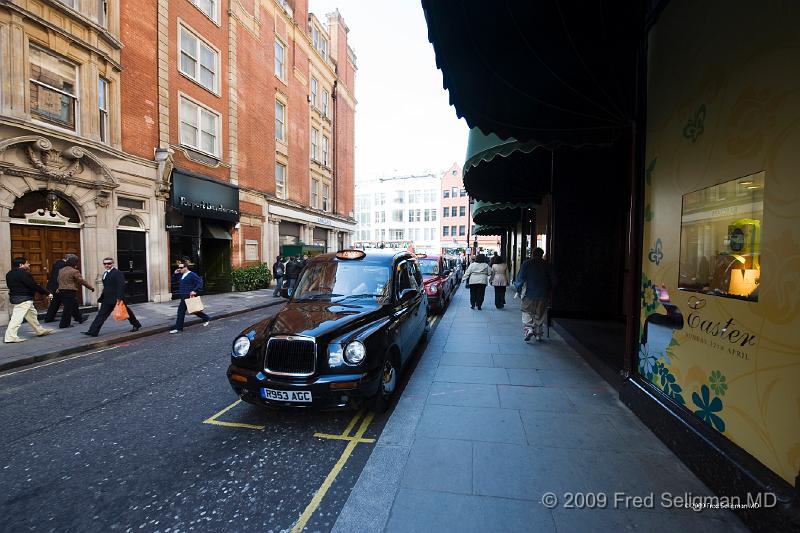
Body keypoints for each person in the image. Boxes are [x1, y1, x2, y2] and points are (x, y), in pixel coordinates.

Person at [83, 257, 142, 337]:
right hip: (107, 298)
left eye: (109, 263)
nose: (107, 265)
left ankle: (136, 324)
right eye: (105, 264)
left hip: (116, 298)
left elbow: (121, 285)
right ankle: (93, 331)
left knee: (127, 312)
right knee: (101, 315)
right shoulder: (105, 273)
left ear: (113, 263)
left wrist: (119, 298)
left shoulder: (117, 273)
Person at [4, 257, 53, 343]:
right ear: (21, 265)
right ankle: (10, 337)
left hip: (16, 297)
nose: (29, 264)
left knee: (32, 314)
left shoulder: (9, 274)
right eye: (27, 263)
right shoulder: (24, 274)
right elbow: (33, 285)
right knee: (17, 318)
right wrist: (47, 293)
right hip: (24, 298)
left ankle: (39, 330)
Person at [514, 247, 555, 342]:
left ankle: (528, 328)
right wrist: (549, 289)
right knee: (540, 314)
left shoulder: (527, 263)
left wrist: (518, 289)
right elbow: (554, 280)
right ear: (542, 254)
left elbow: (520, 278)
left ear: (533, 254)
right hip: (543, 294)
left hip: (529, 293)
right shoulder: (547, 264)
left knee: (526, 311)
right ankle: (538, 333)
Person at [170, 260, 211, 333]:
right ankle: (206, 318)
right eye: (179, 267)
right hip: (183, 295)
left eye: (181, 268)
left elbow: (200, 282)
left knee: (181, 311)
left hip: (188, 295)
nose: (179, 269)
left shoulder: (192, 274)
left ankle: (178, 328)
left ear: (186, 267)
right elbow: (174, 282)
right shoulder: (181, 275)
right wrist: (175, 274)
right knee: (193, 309)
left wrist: (195, 290)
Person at [57, 254, 95, 328]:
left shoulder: (61, 270)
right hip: (70, 291)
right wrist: (91, 287)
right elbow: (82, 281)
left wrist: (59, 287)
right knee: (68, 308)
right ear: (74, 263)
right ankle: (64, 324)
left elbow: (58, 279)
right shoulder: (74, 271)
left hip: (62, 291)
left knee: (74, 305)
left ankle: (79, 319)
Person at [44, 254, 83, 324]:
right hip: (59, 287)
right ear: (68, 259)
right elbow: (57, 276)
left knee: (55, 303)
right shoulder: (61, 265)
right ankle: (78, 318)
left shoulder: (58, 263)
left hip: (57, 286)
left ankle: (49, 318)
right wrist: (58, 287)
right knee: (71, 303)